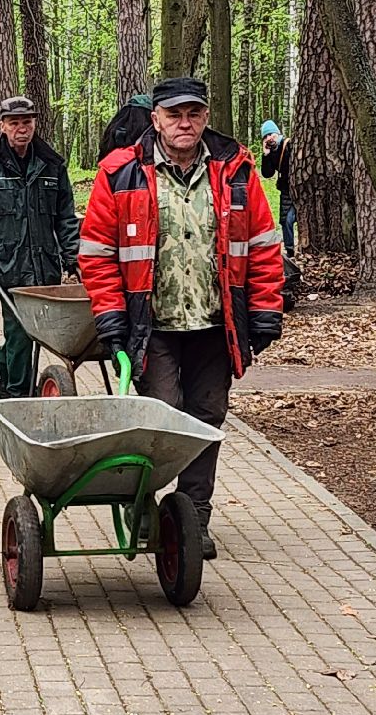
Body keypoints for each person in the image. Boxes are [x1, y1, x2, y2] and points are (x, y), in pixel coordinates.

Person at [79, 77, 286, 559]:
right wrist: (110, 316)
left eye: (193, 113)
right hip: (153, 326)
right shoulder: (121, 172)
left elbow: (262, 245)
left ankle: (193, 516)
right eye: (174, 115)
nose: (184, 123)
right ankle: (145, 508)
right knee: (163, 419)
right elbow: (96, 254)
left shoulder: (235, 171)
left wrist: (265, 309)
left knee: (206, 419)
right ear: (155, 119)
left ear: (206, 116)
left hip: (217, 325)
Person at [0, 96, 81, 398]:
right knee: (23, 330)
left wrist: (72, 258)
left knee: (28, 332)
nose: (21, 128)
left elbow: (65, 217)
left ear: (35, 124)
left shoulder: (52, 165)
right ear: (2, 126)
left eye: (27, 122)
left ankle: (3, 364)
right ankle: (16, 397)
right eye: (14, 123)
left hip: (44, 264)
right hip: (4, 266)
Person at [257, 119, 295, 257]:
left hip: (298, 189)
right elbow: (267, 174)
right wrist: (266, 154)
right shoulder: (272, 152)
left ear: (277, 133)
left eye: (270, 134)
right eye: (265, 136)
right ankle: (290, 251)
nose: (269, 138)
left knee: (295, 218)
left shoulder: (289, 144)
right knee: (286, 220)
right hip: (285, 191)